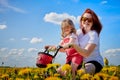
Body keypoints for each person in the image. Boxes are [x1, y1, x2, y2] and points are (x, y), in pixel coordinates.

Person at [65, 8, 104, 74]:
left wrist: (74, 45)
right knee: (61, 71)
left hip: (94, 61)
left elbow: (86, 53)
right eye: (84, 19)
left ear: (94, 22)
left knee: (83, 72)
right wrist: (55, 47)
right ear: (81, 20)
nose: (86, 21)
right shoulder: (78, 32)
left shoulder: (94, 34)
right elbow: (68, 45)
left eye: (89, 20)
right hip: (80, 62)